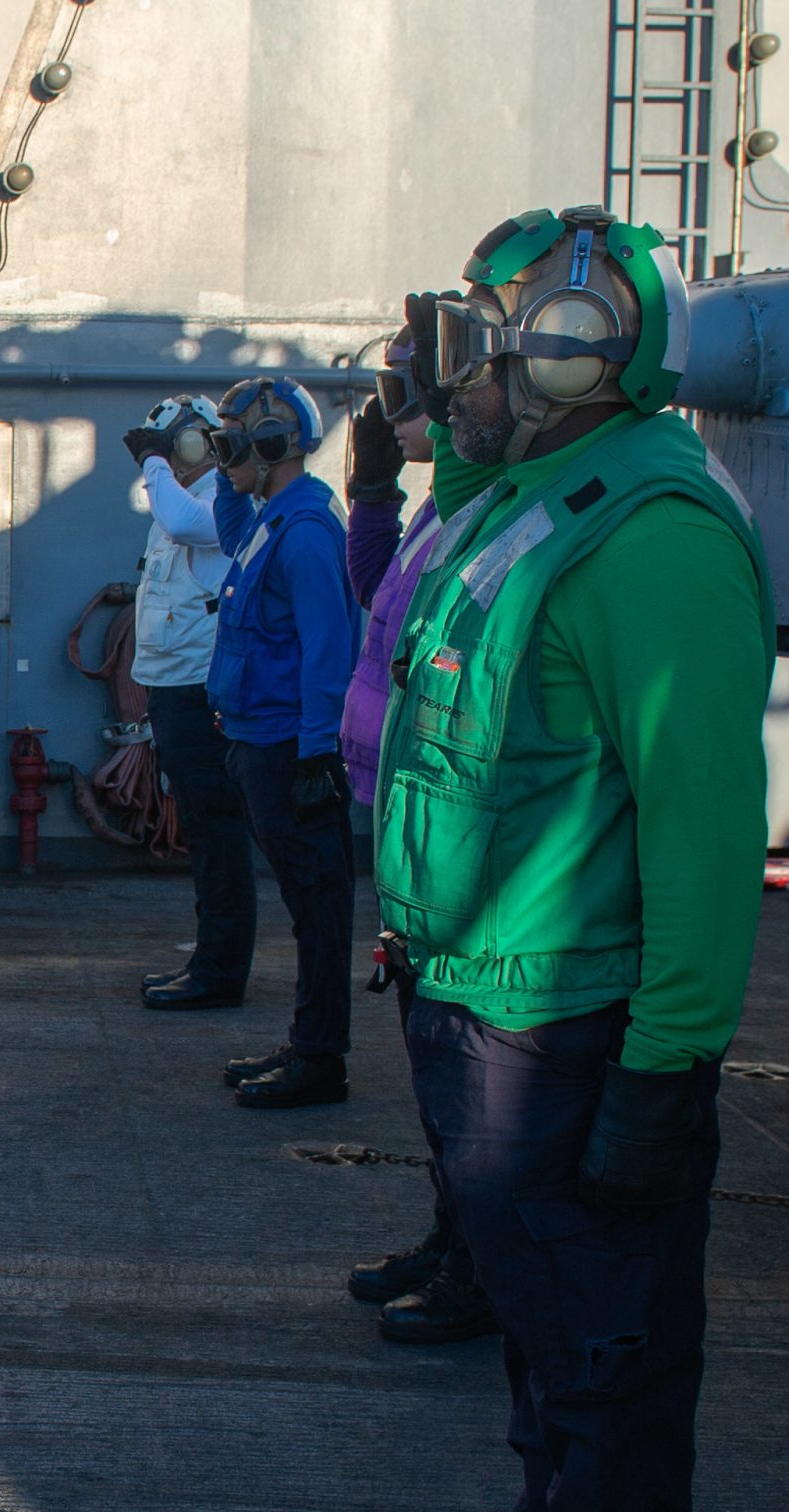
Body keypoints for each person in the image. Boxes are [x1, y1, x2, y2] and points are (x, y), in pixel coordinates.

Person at [350, 207, 773, 1512]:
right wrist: (431, 437)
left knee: (604, 1384)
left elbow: (701, 832)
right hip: (477, 1012)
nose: (446, 354)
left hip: (576, 1042)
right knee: (551, 1378)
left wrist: (667, 1071)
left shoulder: (655, 538)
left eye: (482, 327)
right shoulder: (525, 497)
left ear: (582, 344)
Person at [338, 335, 501, 1348]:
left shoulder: (484, 511)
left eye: (412, 399)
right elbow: (374, 590)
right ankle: (452, 1238)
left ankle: (477, 1265)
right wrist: (371, 492)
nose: (398, 416)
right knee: (435, 1069)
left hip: (448, 838)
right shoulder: (440, 511)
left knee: (469, 1077)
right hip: (401, 825)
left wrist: (442, 413)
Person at [207, 376, 359, 1108]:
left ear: (272, 445)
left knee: (318, 907)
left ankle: (321, 1058)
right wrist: (232, 477)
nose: (219, 457)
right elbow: (232, 534)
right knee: (306, 904)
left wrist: (315, 750)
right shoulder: (272, 516)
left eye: (231, 444)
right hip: (255, 738)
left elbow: (329, 648)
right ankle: (308, 1040)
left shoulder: (304, 531)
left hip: (284, 749)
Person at [121, 395, 247, 1008]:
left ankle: (220, 972)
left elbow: (182, 522)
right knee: (202, 832)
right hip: (173, 687)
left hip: (200, 691)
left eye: (175, 445)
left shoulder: (221, 501)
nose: (168, 459)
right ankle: (210, 958)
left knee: (216, 833)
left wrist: (154, 464)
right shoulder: (179, 502)